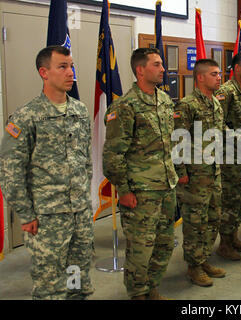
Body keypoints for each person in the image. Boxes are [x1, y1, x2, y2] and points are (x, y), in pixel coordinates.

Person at [0, 45, 94, 300]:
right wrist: (25, 213)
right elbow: (10, 170)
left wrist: (84, 199)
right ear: (44, 72)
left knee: (78, 278)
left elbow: (85, 160)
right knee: (50, 285)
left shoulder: (80, 111)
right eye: (62, 67)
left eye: (71, 66)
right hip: (47, 218)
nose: (70, 73)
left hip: (80, 215)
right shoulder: (27, 116)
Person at [102, 48, 178, 300]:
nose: (163, 69)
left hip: (166, 187)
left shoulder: (165, 100)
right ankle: (137, 294)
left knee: (165, 243)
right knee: (140, 249)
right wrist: (123, 191)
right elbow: (113, 154)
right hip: (141, 192)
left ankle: (151, 287)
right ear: (140, 70)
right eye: (156, 64)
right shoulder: (125, 106)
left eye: (161, 64)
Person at [174, 59, 226, 287]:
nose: (219, 77)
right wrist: (181, 172)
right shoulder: (187, 105)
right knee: (195, 222)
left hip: (213, 172)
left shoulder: (215, 103)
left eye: (220, 73)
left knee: (213, 218)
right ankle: (193, 266)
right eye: (214, 74)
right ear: (201, 77)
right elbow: (178, 140)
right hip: (194, 176)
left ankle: (203, 258)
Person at [215, 52, 241, 261]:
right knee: (229, 200)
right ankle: (225, 243)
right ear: (237, 68)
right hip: (229, 156)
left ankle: (234, 236)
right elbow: (217, 123)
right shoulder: (226, 92)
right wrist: (240, 139)